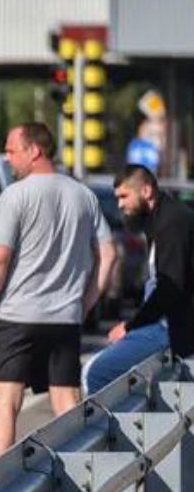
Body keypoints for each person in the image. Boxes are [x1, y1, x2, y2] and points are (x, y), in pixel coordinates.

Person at [0, 123, 117, 461]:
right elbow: (109, 253)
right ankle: (79, 474)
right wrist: (85, 303)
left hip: (16, 316)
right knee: (66, 402)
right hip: (64, 318)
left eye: (12, 150)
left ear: (34, 151)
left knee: (6, 403)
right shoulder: (82, 195)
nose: (8, 158)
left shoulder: (15, 195)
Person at [84, 165, 194, 393]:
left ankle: (118, 429)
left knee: (95, 372)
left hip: (171, 327)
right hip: (167, 325)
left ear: (146, 191)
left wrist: (131, 326)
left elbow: (169, 289)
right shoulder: (160, 219)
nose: (120, 205)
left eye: (124, 196)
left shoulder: (172, 222)